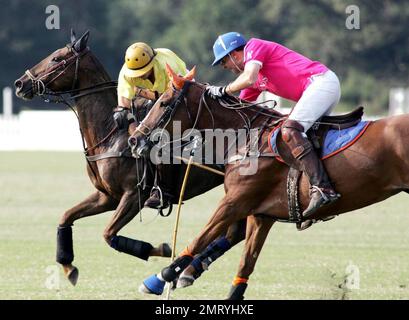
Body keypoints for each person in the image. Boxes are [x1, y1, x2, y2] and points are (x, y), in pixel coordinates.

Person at [206, 32, 341, 218]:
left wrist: (224, 90)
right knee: (299, 138)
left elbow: (249, 78)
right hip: (316, 89)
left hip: (320, 82)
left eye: (223, 62)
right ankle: (316, 191)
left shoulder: (254, 46)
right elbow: (240, 110)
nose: (225, 67)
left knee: (290, 130)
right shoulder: (251, 77)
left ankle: (323, 188)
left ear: (234, 54)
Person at [116, 42, 188, 209]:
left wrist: (142, 92)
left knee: (165, 135)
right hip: (153, 98)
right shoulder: (126, 73)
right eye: (136, 73)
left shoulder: (165, 64)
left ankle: (164, 190)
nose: (139, 76)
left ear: (152, 63)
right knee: (123, 119)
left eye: (143, 72)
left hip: (180, 93)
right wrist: (134, 131)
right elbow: (123, 106)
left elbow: (172, 95)